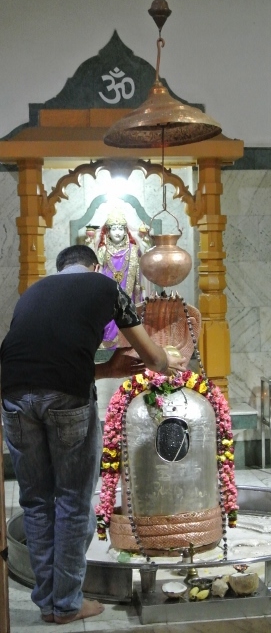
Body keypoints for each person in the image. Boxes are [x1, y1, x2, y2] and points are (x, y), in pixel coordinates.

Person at [0, 244, 186, 625]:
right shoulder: (105, 286)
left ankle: (48, 601)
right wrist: (171, 362)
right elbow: (151, 357)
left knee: (36, 501)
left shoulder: (33, 292)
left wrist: (107, 370)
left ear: (60, 268)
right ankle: (66, 604)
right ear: (95, 265)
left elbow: (42, 366)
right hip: (67, 398)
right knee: (71, 499)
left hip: (13, 397)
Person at [95, 209, 146, 348]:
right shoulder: (102, 251)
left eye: (120, 229)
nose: (117, 232)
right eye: (114, 229)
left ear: (125, 231)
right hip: (108, 297)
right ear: (107, 232)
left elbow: (140, 277)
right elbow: (98, 273)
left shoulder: (134, 250)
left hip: (130, 296)